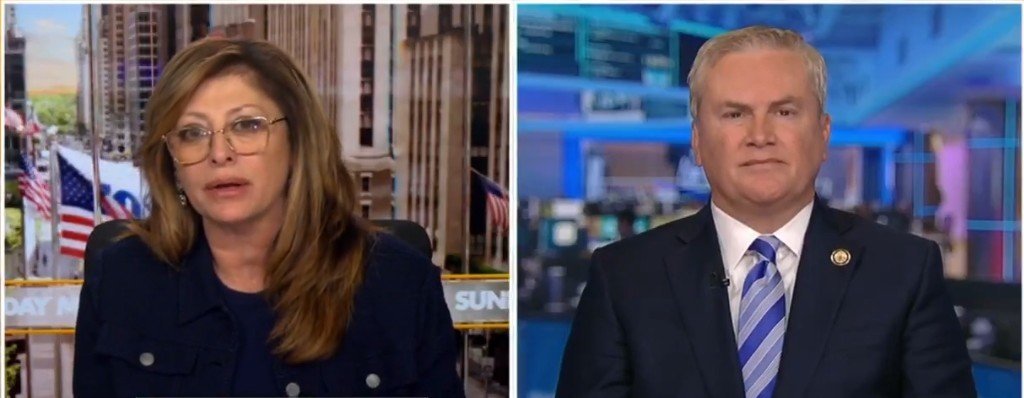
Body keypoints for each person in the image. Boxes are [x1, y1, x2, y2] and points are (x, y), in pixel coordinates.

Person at [557, 26, 975, 398]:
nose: (760, 136)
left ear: (823, 134)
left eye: (784, 112)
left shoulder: (903, 270)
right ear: (699, 141)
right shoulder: (624, 276)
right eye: (735, 114)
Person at [73, 38, 464, 397]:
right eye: (192, 133)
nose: (219, 153)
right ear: (172, 162)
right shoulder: (121, 280)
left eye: (247, 126)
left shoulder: (401, 284)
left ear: (297, 143)